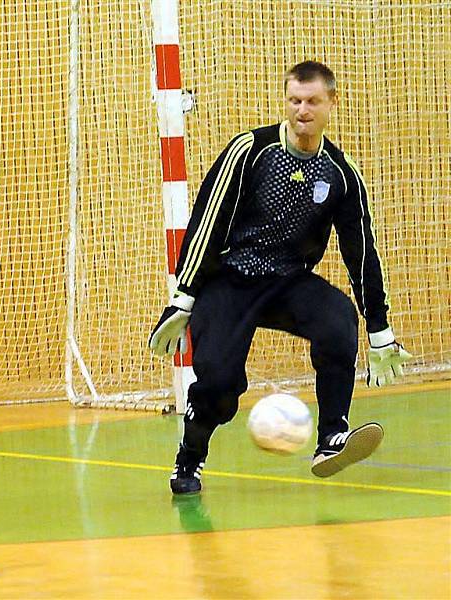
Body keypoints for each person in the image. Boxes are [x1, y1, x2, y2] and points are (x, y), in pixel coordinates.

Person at [148, 61, 413, 495]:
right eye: (294, 100)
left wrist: (379, 327)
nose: (302, 110)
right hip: (230, 279)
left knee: (337, 319)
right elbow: (206, 223)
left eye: (312, 101)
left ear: (332, 103)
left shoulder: (341, 174)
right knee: (217, 384)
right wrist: (184, 296)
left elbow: (360, 250)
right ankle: (188, 462)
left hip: (288, 281)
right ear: (285, 101)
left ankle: (331, 438)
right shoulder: (251, 151)